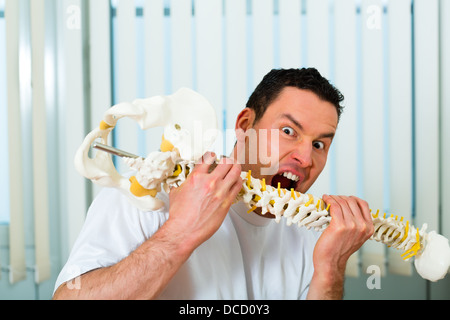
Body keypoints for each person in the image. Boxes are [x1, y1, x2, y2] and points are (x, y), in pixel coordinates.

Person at [53, 68, 374, 300]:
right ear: (245, 125)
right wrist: (180, 233)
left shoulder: (312, 236)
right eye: (288, 132)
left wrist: (331, 269)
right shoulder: (146, 193)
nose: (305, 158)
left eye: (319, 145)